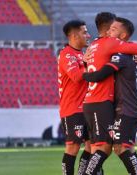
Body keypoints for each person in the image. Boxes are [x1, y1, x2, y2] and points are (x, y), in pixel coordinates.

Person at [82, 12, 137, 175]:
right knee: (114, 147)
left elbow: (101, 73)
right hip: (115, 106)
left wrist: (82, 73)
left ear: (122, 35)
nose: (110, 32)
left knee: (120, 147)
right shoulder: (116, 50)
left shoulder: (117, 54)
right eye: (110, 28)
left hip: (127, 107)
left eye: (114, 29)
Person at [58, 19, 92, 175]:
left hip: (87, 108)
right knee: (73, 147)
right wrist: (85, 63)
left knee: (91, 147)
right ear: (73, 35)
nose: (88, 35)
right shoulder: (66, 54)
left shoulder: (81, 54)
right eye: (84, 32)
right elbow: (76, 77)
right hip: (72, 109)